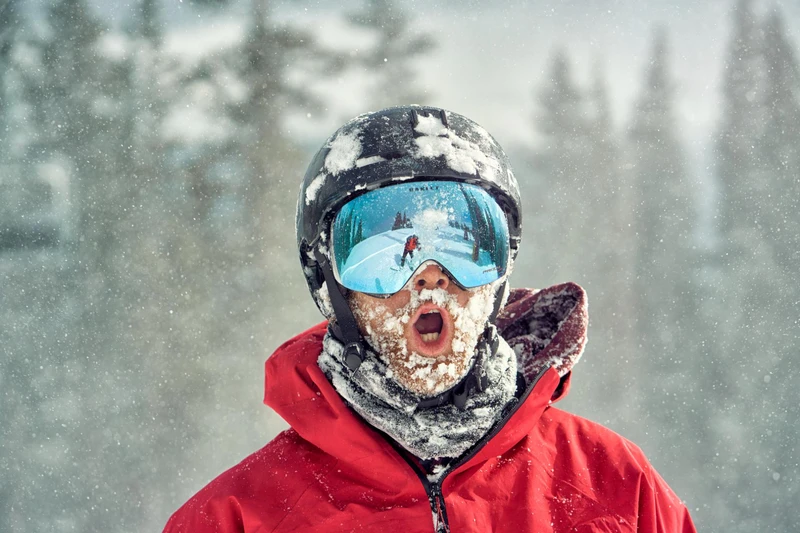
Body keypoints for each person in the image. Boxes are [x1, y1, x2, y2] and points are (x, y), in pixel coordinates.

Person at [164, 106, 697, 532]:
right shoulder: (236, 519)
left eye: (466, 246)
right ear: (329, 284)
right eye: (383, 255)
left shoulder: (616, 488)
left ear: (500, 275)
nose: (429, 276)